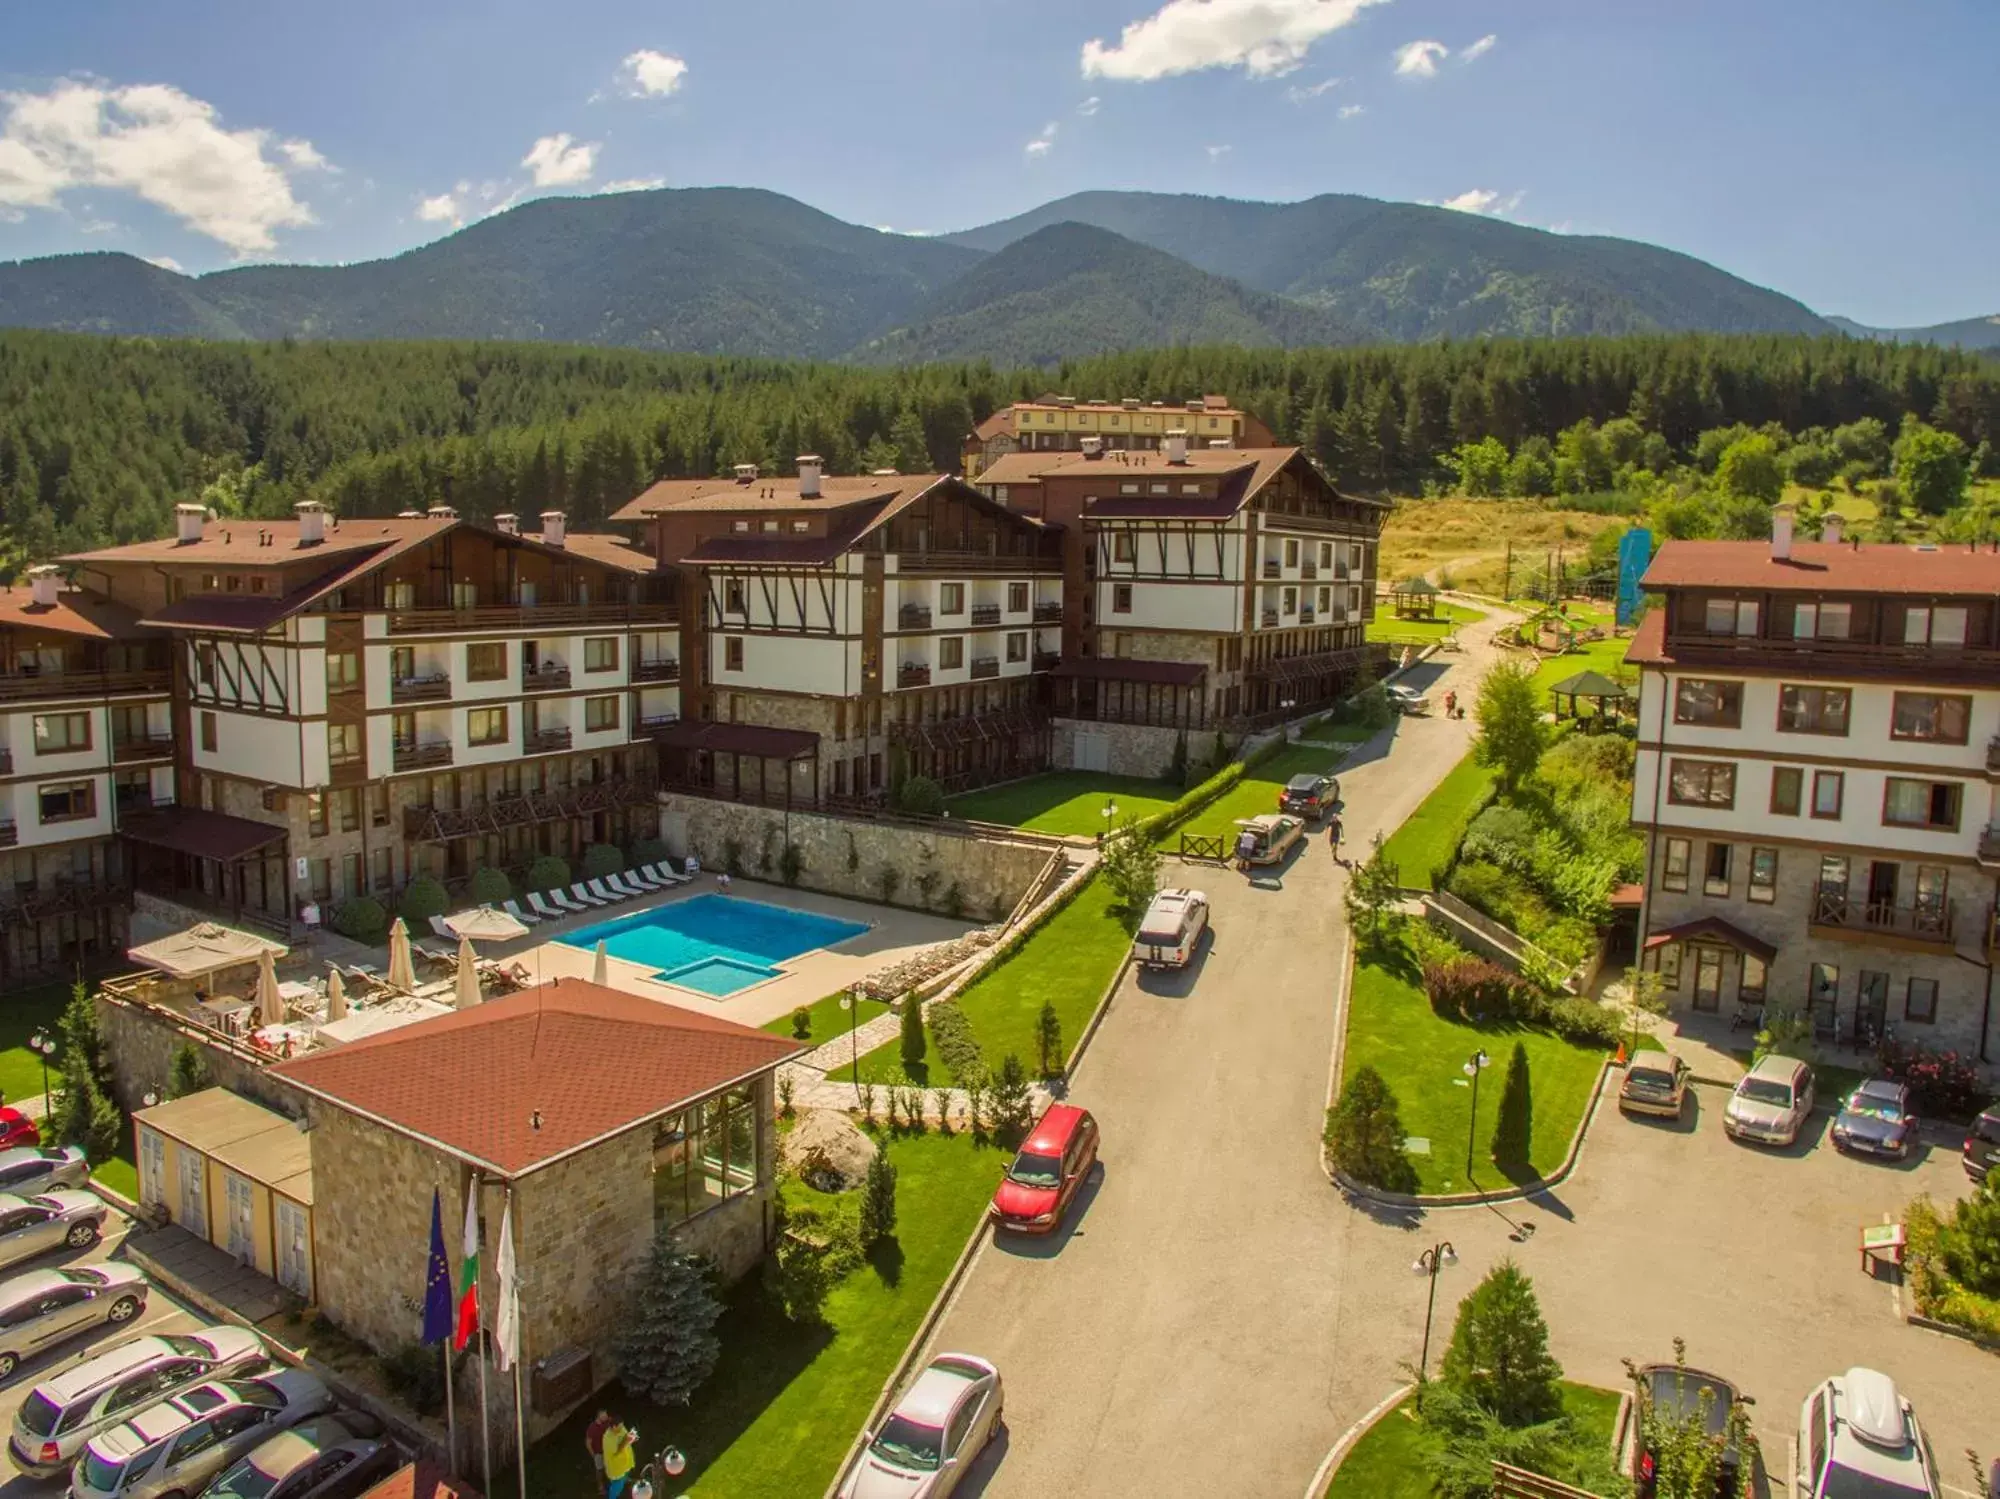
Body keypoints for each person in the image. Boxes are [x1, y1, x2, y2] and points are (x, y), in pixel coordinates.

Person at [602, 1419, 637, 1499]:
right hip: (617, 1469)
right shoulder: (608, 1438)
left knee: (624, 1478)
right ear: (614, 1427)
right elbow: (617, 1451)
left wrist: (631, 1436)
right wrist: (627, 1440)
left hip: (625, 1464)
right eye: (620, 1427)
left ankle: (624, 1482)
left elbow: (625, 1437)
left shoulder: (620, 1428)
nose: (622, 1428)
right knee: (616, 1487)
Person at [585, 1408, 613, 1493]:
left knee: (609, 1466)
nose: (606, 1417)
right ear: (599, 1416)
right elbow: (588, 1443)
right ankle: (600, 1485)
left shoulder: (607, 1422)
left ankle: (612, 1480)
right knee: (599, 1470)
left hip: (608, 1451)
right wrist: (593, 1455)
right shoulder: (592, 1428)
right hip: (598, 1453)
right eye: (604, 1416)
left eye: (606, 1415)